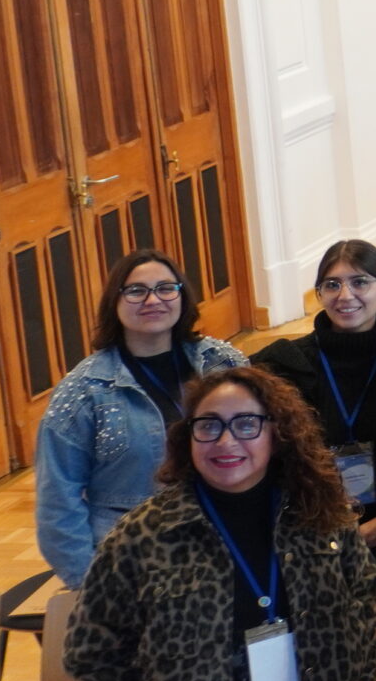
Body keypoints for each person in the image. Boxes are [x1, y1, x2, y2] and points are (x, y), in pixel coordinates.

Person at [65, 367, 376, 681]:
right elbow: (90, 649)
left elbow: (363, 596)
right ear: (188, 437)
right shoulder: (145, 534)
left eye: (246, 424)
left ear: (276, 433)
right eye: (208, 425)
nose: (226, 441)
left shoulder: (320, 515)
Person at [36, 250, 247, 588]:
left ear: (182, 296)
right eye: (136, 291)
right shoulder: (82, 392)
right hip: (133, 564)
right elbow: (57, 505)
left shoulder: (223, 363)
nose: (153, 300)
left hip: (230, 543)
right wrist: (92, 586)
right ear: (114, 302)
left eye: (165, 288)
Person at [253, 241, 376, 564]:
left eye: (360, 282)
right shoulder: (283, 363)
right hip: (312, 534)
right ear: (318, 294)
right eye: (332, 285)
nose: (345, 295)